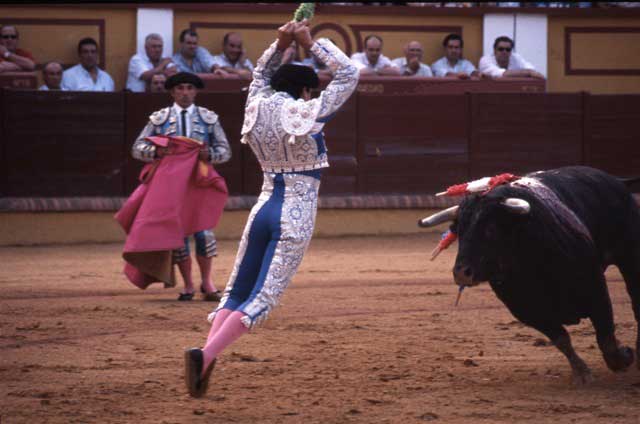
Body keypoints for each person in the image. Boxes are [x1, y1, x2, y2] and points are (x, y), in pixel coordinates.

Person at [183, 19, 359, 398]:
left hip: (262, 208)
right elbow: (349, 74)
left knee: (236, 291)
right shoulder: (306, 113)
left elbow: (259, 72)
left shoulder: (256, 103)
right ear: (305, 90)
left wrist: (280, 43)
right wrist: (311, 43)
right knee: (261, 297)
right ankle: (205, 354)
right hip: (294, 213)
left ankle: (206, 363)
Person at [131, 72, 231, 302]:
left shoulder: (209, 119)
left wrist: (210, 154)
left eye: (189, 88)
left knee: (204, 233)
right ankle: (188, 285)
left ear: (195, 91)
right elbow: (137, 148)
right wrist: (156, 152)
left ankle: (207, 283)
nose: (185, 93)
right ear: (172, 92)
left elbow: (225, 151)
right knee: (179, 235)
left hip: (199, 184)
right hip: (171, 187)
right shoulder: (159, 119)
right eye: (180, 89)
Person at [479, 36, 545, 79]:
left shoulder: (515, 57)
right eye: (501, 49)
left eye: (508, 49)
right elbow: (501, 74)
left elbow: (533, 71)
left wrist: (531, 72)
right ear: (494, 50)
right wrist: (528, 73)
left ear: (511, 51)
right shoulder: (485, 60)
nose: (504, 52)